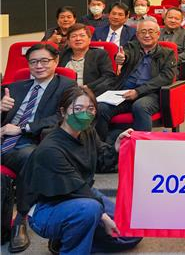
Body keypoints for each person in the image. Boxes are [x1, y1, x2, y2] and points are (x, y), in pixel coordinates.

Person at [17, 86, 142, 255]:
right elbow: (77, 189)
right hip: (46, 207)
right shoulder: (50, 149)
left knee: (133, 233)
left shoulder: (87, 131)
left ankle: (66, 240)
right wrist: (104, 217)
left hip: (80, 194)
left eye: (90, 109)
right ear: (63, 112)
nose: (85, 114)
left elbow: (103, 160)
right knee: (91, 209)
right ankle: (72, 244)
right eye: (78, 108)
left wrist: (116, 147)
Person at [1, 43, 76, 253]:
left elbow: (63, 116)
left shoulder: (67, 86)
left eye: (44, 61)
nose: (39, 66)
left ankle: (20, 219)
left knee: (31, 156)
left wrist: (23, 127)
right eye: (33, 62)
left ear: (56, 61)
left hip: (29, 140)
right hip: (3, 137)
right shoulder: (14, 87)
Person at [96, 20, 177, 140]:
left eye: (151, 32)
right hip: (124, 92)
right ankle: (102, 145)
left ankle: (141, 145)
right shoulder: (131, 47)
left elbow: (166, 77)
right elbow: (125, 55)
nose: (147, 35)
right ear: (137, 35)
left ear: (158, 34)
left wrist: (138, 91)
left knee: (140, 106)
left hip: (150, 94)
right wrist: (121, 58)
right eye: (143, 32)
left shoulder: (167, 53)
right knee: (101, 107)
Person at [59, 24, 115, 92]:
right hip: (64, 93)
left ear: (89, 39)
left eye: (82, 35)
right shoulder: (62, 55)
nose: (78, 39)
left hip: (91, 92)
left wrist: (88, 87)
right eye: (74, 36)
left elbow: (108, 76)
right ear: (68, 41)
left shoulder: (99, 54)